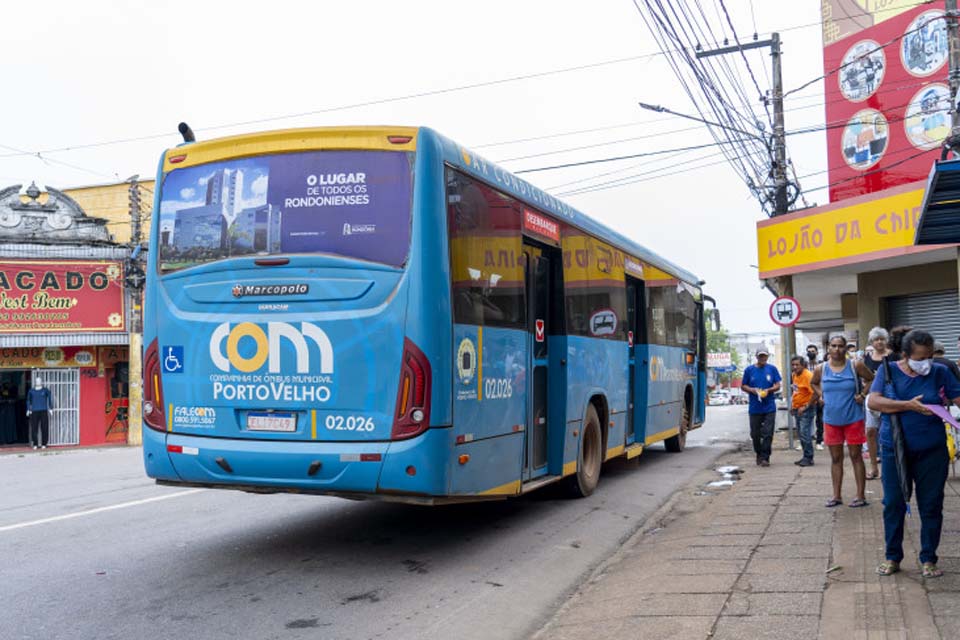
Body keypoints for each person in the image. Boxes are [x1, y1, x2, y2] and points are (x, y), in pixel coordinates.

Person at [869, 329, 960, 578]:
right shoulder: (887, 371)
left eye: (930, 356)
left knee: (931, 505)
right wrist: (907, 405)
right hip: (894, 450)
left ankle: (929, 558)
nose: (926, 362)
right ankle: (892, 557)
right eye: (920, 357)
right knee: (894, 504)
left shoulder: (939, 371)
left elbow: (958, 397)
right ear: (906, 355)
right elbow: (874, 402)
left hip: (932, 450)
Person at [811, 335, 875, 508]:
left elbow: (871, 379)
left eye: (840, 346)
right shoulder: (821, 369)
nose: (837, 349)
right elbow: (814, 383)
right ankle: (836, 496)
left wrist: (862, 395)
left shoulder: (856, 366)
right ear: (828, 348)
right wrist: (821, 395)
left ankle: (860, 495)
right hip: (831, 420)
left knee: (855, 456)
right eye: (834, 346)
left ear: (846, 348)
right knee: (836, 458)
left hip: (853, 418)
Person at [741, 348, 782, 467]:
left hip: (769, 406)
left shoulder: (772, 369)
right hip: (755, 407)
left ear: (768, 357)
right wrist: (753, 390)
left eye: (764, 356)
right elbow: (743, 386)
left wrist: (769, 390)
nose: (762, 358)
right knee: (755, 433)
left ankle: (765, 457)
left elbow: (778, 385)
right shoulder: (749, 370)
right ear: (756, 357)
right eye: (760, 356)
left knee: (768, 433)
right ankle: (758, 453)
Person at [862, 327, 891, 480]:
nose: (879, 342)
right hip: (872, 398)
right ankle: (874, 467)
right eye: (876, 339)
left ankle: (891, 467)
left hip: (890, 399)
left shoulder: (893, 356)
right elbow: (865, 378)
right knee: (870, 432)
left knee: (890, 433)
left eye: (881, 339)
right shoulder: (867, 358)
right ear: (871, 342)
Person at [790, 355, 817, 466]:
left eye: (797, 365)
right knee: (801, 434)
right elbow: (796, 392)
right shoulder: (794, 375)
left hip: (806, 408)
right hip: (797, 408)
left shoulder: (808, 376)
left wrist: (806, 406)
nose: (795, 367)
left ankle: (809, 457)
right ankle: (805, 456)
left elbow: (815, 393)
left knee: (805, 433)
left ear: (803, 365)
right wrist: (793, 406)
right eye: (793, 365)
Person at [806, 344, 826, 451]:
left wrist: (821, 394)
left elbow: (823, 381)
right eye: (809, 351)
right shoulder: (804, 365)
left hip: (818, 394)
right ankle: (806, 441)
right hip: (808, 396)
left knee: (820, 419)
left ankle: (819, 440)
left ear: (817, 352)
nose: (811, 353)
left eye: (813, 351)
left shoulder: (821, 365)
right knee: (807, 419)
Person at [26, 376, 53, 450]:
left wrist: (50, 408)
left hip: (43, 410)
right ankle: (35, 444)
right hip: (34, 411)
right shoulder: (31, 391)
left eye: (39, 381)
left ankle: (44, 443)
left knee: (44, 427)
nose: (38, 382)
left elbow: (50, 398)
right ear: (35, 382)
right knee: (34, 428)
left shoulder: (45, 390)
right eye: (37, 381)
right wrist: (28, 409)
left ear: (41, 382)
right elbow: (28, 400)